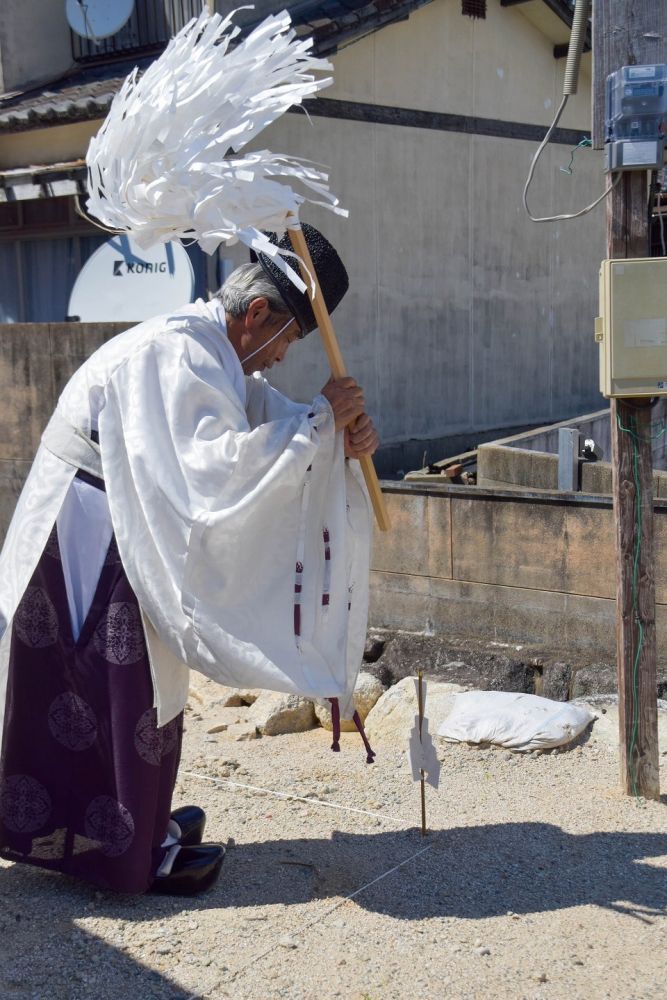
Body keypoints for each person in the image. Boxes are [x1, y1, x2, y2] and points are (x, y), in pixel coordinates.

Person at [0, 224, 378, 896]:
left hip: (127, 520)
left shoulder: (215, 353)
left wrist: (334, 438)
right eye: (289, 338)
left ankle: (135, 825)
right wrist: (320, 422)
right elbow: (217, 472)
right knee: (113, 682)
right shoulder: (178, 351)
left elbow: (267, 421)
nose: (284, 356)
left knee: (146, 679)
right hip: (90, 526)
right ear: (256, 314)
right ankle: (116, 848)